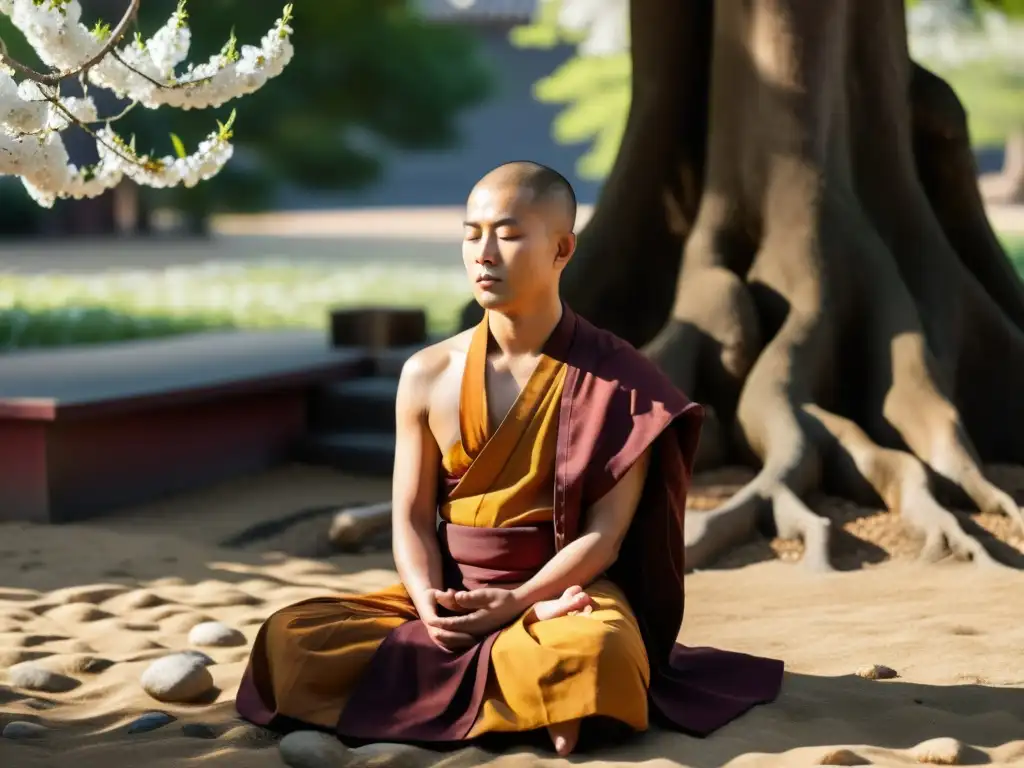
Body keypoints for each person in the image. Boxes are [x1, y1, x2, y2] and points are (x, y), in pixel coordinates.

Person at [236, 161, 784, 756]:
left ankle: (496, 692)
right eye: (471, 233)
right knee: (290, 638)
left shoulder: (622, 381)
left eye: (509, 233)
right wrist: (427, 605)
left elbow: (605, 536)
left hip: (561, 598)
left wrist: (519, 602)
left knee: (596, 653)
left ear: (562, 248)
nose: (484, 253)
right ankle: (528, 704)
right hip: (449, 594)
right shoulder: (428, 373)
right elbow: (412, 517)